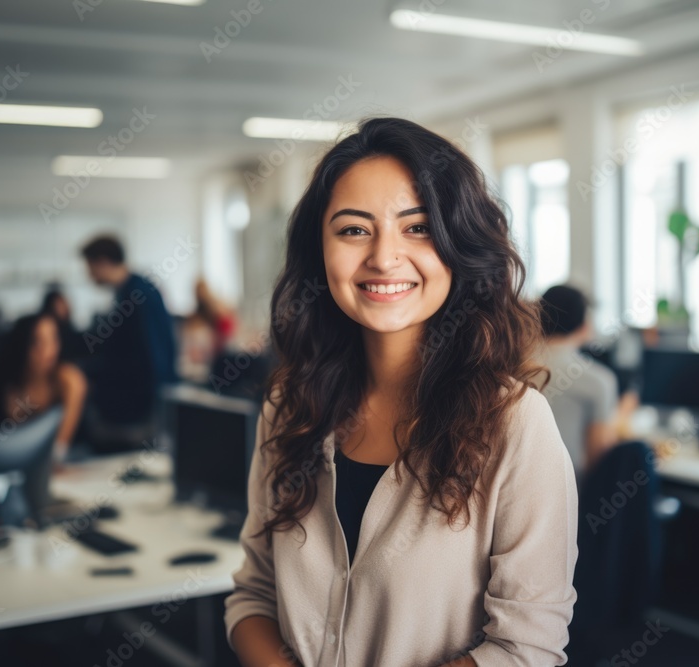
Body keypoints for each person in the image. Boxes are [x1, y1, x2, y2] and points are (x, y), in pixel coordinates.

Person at [225, 118, 578, 666]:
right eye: (354, 230)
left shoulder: (516, 424)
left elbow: (524, 649)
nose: (384, 257)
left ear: (458, 243)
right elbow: (253, 596)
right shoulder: (288, 410)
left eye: (417, 228)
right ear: (319, 250)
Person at [79, 235, 178, 440]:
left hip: (145, 404)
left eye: (90, 267)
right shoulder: (128, 291)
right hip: (142, 400)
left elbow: (153, 353)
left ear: (103, 262)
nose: (88, 274)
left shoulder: (138, 294)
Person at [537, 285, 638, 479]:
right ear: (585, 325)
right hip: (572, 494)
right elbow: (599, 457)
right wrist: (621, 416)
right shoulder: (598, 380)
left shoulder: (509, 368)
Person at [0, 314, 87, 465]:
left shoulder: (68, 381)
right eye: (37, 342)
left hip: (67, 464)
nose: (47, 350)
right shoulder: (3, 386)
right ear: (22, 345)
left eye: (52, 339)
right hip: (15, 464)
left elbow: (60, 449)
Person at [40, 285, 86, 361]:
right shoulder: (48, 330)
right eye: (58, 305)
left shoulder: (72, 334)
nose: (65, 307)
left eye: (64, 303)